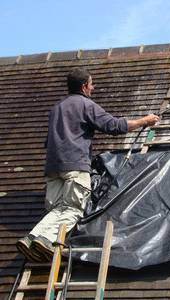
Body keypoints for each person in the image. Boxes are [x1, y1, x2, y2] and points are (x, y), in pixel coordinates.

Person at [16, 67, 159, 262]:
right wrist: (145, 121)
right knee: (74, 209)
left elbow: (48, 142)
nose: (93, 87)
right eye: (92, 84)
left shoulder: (56, 109)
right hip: (75, 166)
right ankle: (45, 239)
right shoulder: (86, 105)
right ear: (84, 86)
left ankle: (31, 238)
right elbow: (114, 126)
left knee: (58, 209)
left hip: (53, 168)